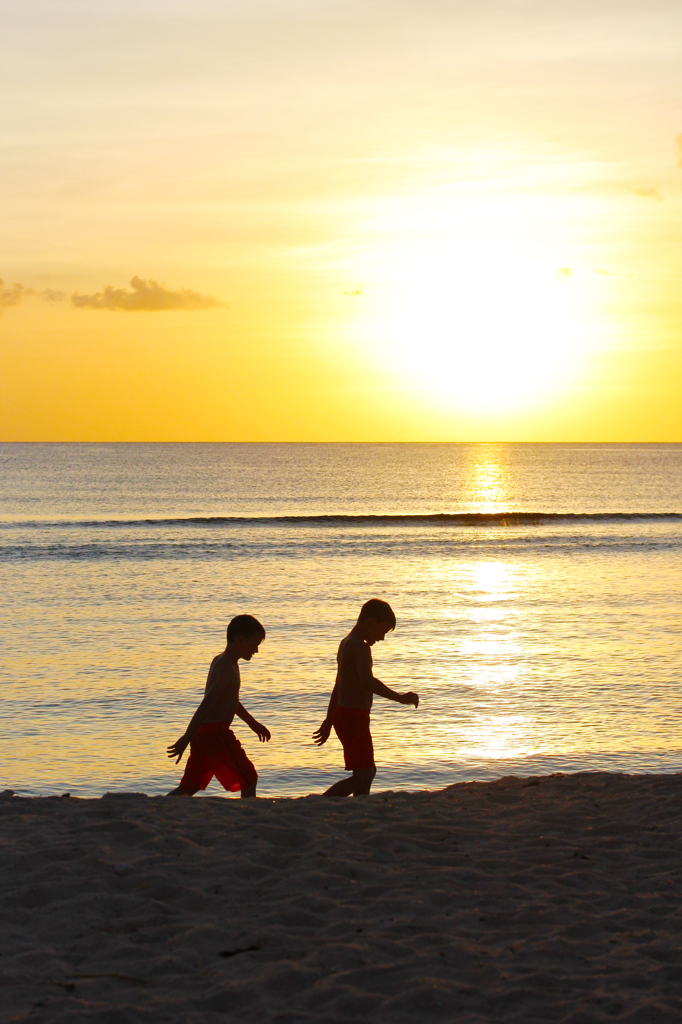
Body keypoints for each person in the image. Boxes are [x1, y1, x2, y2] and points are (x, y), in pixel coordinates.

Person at [313, 599, 418, 797]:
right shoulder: (360, 647)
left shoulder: (346, 643)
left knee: (368, 771)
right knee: (363, 774)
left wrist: (329, 718)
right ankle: (324, 803)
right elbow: (367, 681)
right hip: (353, 718)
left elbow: (338, 685)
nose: (382, 638)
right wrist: (400, 698)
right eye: (382, 631)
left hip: (345, 715)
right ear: (371, 622)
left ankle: (359, 806)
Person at [167, 615, 270, 798]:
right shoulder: (226, 668)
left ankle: (158, 807)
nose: (256, 650)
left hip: (202, 736)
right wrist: (185, 738)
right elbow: (206, 705)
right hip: (216, 735)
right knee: (249, 778)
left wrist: (253, 723)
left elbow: (231, 701)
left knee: (190, 786)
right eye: (254, 644)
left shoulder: (223, 662)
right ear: (240, 640)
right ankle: (245, 815)